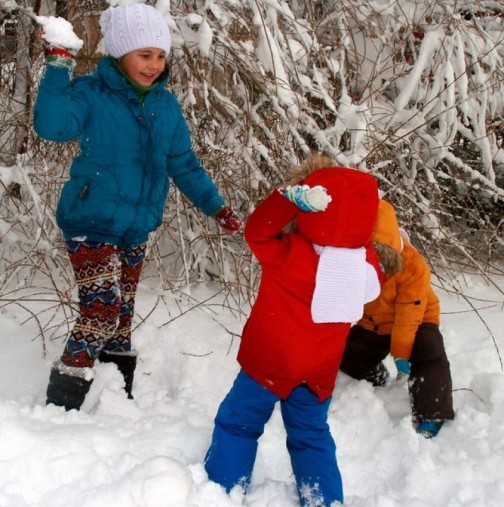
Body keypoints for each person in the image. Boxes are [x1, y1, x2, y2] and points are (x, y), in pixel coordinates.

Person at [33, 3, 242, 411]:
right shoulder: (91, 93)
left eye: (160, 55)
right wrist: (59, 67)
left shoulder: (165, 107)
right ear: (121, 53)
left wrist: (216, 207)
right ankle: (62, 403)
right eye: (145, 54)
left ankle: (115, 398)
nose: (154, 64)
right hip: (90, 221)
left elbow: (183, 164)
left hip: (136, 226)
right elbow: (52, 126)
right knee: (101, 312)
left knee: (121, 315)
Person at [204, 154, 389, 506]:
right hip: (317, 373)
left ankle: (221, 491)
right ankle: (324, 500)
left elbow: (256, 231)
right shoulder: (365, 268)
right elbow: (367, 247)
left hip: (268, 366)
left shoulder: (290, 255)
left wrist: (288, 199)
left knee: (238, 423)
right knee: (311, 435)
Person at [339, 199, 455, 438]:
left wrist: (402, 352)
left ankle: (432, 411)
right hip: (374, 322)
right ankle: (378, 378)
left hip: (419, 318)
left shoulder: (412, 265)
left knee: (429, 354)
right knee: (349, 357)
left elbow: (409, 312)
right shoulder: (352, 260)